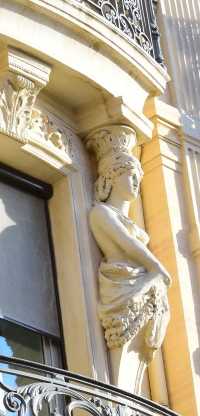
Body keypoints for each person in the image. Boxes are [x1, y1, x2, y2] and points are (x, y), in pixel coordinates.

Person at [89, 148, 170, 393]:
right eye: (131, 175)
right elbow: (128, 243)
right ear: (112, 177)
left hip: (135, 282)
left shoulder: (124, 219)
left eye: (139, 177)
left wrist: (155, 270)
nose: (137, 182)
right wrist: (156, 267)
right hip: (123, 285)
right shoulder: (101, 213)